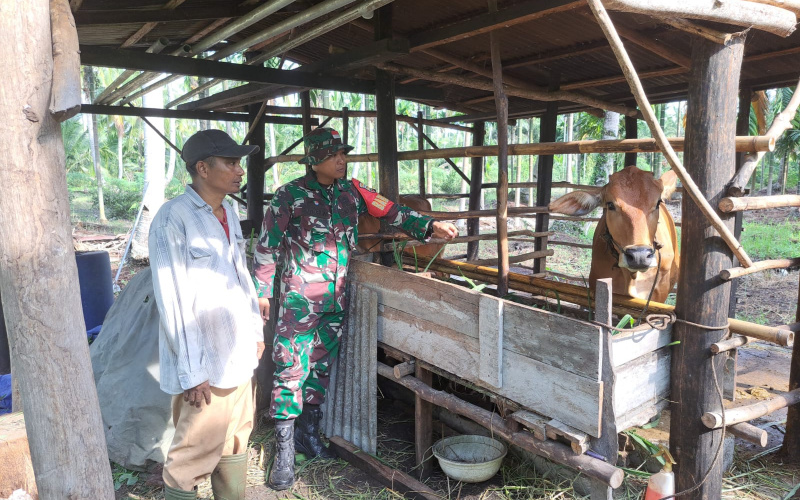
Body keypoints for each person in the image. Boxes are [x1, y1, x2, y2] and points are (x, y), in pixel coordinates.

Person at [253, 127, 458, 490]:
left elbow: (392, 212)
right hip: (299, 300)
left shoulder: (353, 192)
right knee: (290, 367)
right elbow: (267, 244)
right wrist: (262, 292)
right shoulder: (290, 196)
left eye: (343, 154)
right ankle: (283, 453)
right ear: (315, 160)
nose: (342, 160)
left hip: (337, 298)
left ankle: (308, 436)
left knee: (320, 367)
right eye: (334, 156)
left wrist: (430, 227)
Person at [149, 129, 266, 500]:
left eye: (239, 163)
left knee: (235, 439)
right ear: (202, 167)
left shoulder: (228, 211)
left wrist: (255, 332)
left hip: (237, 353)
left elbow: (240, 276)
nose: (239, 170)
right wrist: (193, 372)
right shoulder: (173, 219)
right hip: (206, 364)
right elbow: (173, 301)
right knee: (191, 456)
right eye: (231, 163)